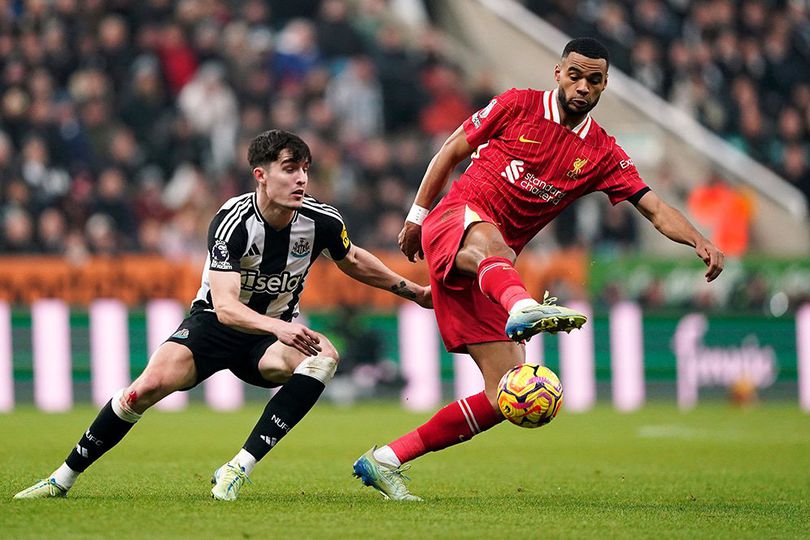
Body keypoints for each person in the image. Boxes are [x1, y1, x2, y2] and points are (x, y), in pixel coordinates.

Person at [352, 37, 724, 501]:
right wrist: (416, 215)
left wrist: (699, 239)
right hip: (456, 220)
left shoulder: (603, 152)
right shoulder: (517, 105)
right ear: (558, 73)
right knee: (492, 242)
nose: (583, 86)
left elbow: (653, 208)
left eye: (594, 79)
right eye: (575, 75)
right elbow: (450, 149)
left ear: (604, 84)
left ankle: (385, 460)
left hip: (492, 269)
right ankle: (523, 305)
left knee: (506, 395)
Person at [14, 129, 432, 501]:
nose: (301, 178)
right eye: (289, 168)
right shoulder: (233, 222)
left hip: (268, 341)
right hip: (212, 327)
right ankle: (61, 479)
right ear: (261, 175)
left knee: (324, 356)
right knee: (143, 390)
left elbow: (353, 258)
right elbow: (227, 307)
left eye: (305, 169)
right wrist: (280, 327)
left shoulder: (321, 220)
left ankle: (237, 467)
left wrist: (413, 292)